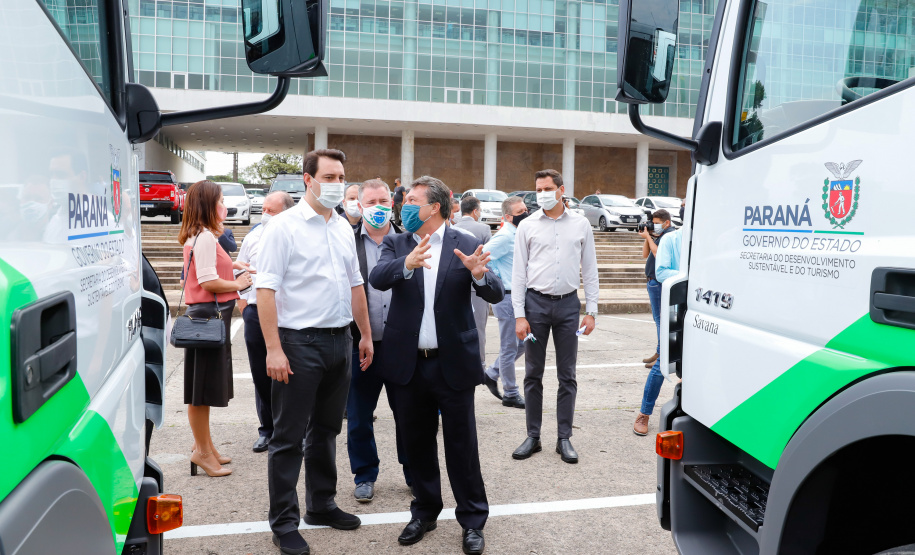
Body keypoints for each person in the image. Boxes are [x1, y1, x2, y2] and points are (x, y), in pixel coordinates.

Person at [369, 176, 504, 555]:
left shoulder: (466, 243)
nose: (405, 206)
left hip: (453, 363)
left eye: (413, 200)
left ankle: (473, 520)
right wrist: (405, 265)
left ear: (436, 207)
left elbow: (495, 289)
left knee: (462, 446)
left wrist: (479, 274)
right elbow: (377, 278)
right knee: (417, 443)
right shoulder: (396, 242)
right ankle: (425, 512)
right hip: (408, 365)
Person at [256, 149, 374, 555]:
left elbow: (355, 284)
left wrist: (365, 334)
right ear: (307, 179)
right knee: (288, 438)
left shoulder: (342, 225)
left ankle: (321, 504)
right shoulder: (283, 228)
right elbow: (265, 289)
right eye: (329, 176)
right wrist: (273, 348)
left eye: (341, 176)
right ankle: (284, 522)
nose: (337, 183)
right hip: (298, 343)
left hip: (339, 341)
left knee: (326, 430)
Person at [511, 169, 599, 465]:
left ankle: (564, 437)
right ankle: (533, 436)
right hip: (534, 308)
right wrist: (519, 316)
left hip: (568, 308)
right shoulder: (527, 225)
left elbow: (590, 269)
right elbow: (518, 273)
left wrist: (592, 310)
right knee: (533, 372)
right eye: (538, 189)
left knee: (567, 374)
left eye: (548, 188)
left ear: (561, 190)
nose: (542, 194)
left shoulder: (581, 224)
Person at [178, 180, 253, 478]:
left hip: (208, 317)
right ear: (209, 205)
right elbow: (207, 282)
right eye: (221, 201)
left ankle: (207, 447)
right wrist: (238, 284)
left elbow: (207, 271)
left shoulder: (201, 235)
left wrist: (233, 267)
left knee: (204, 389)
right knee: (200, 393)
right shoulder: (206, 237)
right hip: (208, 318)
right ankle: (202, 452)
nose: (225, 206)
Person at [346, 178, 413, 504]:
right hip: (360, 345)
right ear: (359, 205)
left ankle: (414, 473)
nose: (378, 208)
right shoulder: (347, 241)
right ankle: (364, 475)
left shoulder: (407, 241)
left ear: (393, 202)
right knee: (359, 415)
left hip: (401, 346)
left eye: (383, 201)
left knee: (408, 414)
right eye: (371, 202)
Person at [236, 191, 295, 453]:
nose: (266, 215)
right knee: (262, 374)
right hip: (256, 312)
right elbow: (240, 269)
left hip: (289, 316)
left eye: (272, 210)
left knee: (293, 375)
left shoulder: (296, 236)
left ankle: (294, 431)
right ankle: (267, 429)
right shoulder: (254, 236)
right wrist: (243, 302)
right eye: (265, 210)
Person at [633, 216, 682, 437]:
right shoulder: (672, 238)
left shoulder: (712, 241)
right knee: (663, 362)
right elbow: (661, 271)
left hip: (704, 308)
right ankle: (644, 412)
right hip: (676, 307)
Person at [481, 195, 529, 409]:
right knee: (510, 347)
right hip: (507, 297)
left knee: (524, 343)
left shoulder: (518, 232)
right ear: (508, 216)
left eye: (525, 209)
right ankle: (511, 392)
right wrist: (496, 278)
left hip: (518, 296)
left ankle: (492, 373)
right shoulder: (505, 236)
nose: (525, 214)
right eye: (520, 212)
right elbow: (481, 256)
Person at [455, 196, 493, 366]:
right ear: (475, 211)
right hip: (477, 285)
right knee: (478, 327)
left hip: (455, 286)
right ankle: (478, 363)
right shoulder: (483, 229)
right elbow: (488, 259)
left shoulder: (452, 227)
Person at [637, 209, 675, 371]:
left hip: (658, 282)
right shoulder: (660, 236)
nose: (655, 226)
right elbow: (645, 255)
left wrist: (649, 238)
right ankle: (659, 352)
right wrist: (649, 236)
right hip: (652, 281)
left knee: (660, 320)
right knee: (658, 320)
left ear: (667, 223)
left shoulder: (668, 236)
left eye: (657, 224)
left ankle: (662, 356)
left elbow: (658, 254)